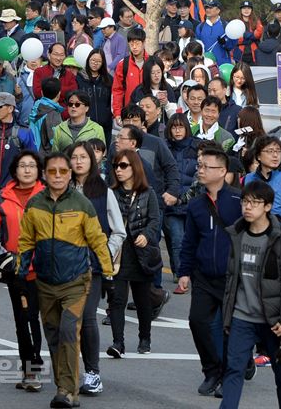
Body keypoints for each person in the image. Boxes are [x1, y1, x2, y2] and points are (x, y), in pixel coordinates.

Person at [17, 152, 114, 409]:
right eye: (52, 171)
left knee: (69, 330)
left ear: (70, 174)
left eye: (63, 171)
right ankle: (64, 385)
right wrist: (21, 270)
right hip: (45, 283)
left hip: (75, 282)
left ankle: (67, 391)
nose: (58, 176)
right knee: (53, 335)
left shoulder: (82, 204)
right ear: (44, 174)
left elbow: (97, 240)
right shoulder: (35, 204)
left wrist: (108, 273)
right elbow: (26, 240)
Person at [220, 180, 281, 409]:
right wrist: (227, 315)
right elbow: (231, 280)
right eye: (245, 202)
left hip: (272, 320)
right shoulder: (237, 235)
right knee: (233, 369)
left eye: (254, 203)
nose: (248, 207)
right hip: (242, 317)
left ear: (267, 206)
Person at [177, 145, 242, 396]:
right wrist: (184, 272)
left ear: (223, 171)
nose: (200, 170)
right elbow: (189, 241)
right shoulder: (196, 205)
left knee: (229, 329)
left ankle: (229, 375)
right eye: (200, 166)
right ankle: (212, 371)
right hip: (203, 276)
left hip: (231, 276)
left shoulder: (238, 200)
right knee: (197, 322)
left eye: (206, 166)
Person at [0, 151, 46, 391]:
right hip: (15, 268)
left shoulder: (47, 195)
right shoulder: (4, 196)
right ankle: (30, 369)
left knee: (34, 318)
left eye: (31, 166)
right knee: (21, 318)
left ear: (38, 170)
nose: (27, 170)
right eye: (22, 166)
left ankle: (35, 366)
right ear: (15, 170)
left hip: (43, 268)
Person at [69, 141, 125, 396]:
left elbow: (118, 231)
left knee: (87, 317)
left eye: (84, 157)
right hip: (64, 268)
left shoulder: (103, 191)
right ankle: (68, 372)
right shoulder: (60, 189)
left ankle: (93, 373)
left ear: (93, 160)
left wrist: (104, 254)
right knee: (67, 321)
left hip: (92, 267)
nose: (79, 161)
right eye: (74, 157)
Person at [107, 148, 160, 357]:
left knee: (142, 300)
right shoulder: (111, 193)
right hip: (120, 252)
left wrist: (146, 234)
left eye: (123, 166)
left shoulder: (148, 193)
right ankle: (118, 343)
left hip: (141, 252)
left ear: (134, 168)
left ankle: (144, 338)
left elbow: (155, 220)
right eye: (116, 166)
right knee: (117, 300)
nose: (118, 171)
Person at [164, 113, 198, 288]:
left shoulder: (197, 146)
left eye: (180, 127)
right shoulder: (165, 147)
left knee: (191, 240)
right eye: (174, 127)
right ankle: (180, 273)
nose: (177, 131)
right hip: (171, 204)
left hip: (192, 203)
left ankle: (189, 270)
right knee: (176, 239)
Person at [76, 49, 113, 148]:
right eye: (93, 60)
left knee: (104, 153)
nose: (95, 63)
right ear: (88, 60)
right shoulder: (79, 78)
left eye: (99, 61)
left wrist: (108, 114)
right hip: (85, 125)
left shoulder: (108, 79)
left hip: (105, 125)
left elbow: (112, 101)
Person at [112, 28, 149, 124]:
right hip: (130, 113)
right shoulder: (123, 64)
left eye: (137, 43)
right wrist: (117, 113)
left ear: (144, 43)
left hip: (149, 113)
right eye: (131, 44)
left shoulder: (151, 62)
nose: (134, 47)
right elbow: (117, 90)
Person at [33, 42, 78, 113]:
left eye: (61, 55)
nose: (58, 58)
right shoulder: (39, 71)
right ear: (49, 54)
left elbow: (72, 93)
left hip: (63, 114)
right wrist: (62, 91)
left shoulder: (69, 74)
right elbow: (37, 93)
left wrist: (49, 90)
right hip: (43, 113)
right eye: (55, 54)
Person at [28, 77, 65, 155]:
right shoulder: (52, 114)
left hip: (33, 154)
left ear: (42, 92)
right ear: (59, 93)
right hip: (46, 159)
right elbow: (56, 142)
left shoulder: (37, 108)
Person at [195, 0, 234, 65]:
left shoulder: (226, 26)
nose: (208, 10)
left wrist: (225, 43)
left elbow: (232, 45)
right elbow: (197, 46)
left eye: (211, 8)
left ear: (218, 10)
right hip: (205, 64)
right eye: (207, 7)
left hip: (222, 64)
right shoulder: (200, 27)